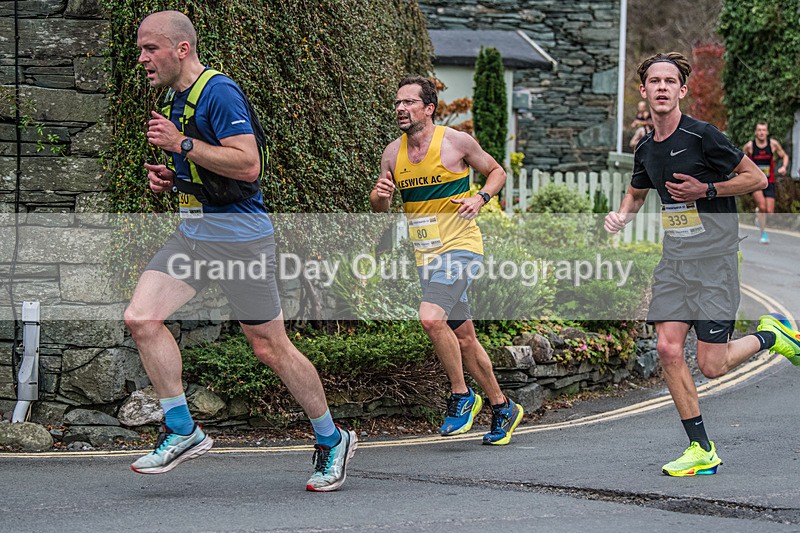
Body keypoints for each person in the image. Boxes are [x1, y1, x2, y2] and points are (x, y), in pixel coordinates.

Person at [125, 10, 356, 492]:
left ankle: (332, 438)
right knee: (142, 319)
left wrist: (181, 144)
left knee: (269, 346)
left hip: (239, 239)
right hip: (194, 234)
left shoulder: (218, 91)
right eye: (141, 48)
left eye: (151, 48)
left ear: (181, 49)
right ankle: (183, 429)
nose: (142, 57)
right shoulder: (174, 99)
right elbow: (210, 172)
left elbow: (247, 165)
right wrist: (173, 179)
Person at [605, 52, 800, 477]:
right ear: (643, 91)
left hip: (715, 262)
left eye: (669, 81)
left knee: (712, 366)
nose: (661, 87)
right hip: (675, 261)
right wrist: (622, 214)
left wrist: (706, 189)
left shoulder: (703, 135)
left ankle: (770, 335)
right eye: (653, 81)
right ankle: (701, 448)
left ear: (681, 90)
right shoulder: (645, 149)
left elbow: (757, 179)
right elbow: (637, 193)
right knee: (668, 347)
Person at [369, 76, 523, 445]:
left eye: (409, 102)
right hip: (427, 255)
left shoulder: (456, 142)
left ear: (429, 108)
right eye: (397, 103)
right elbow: (381, 209)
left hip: (461, 247)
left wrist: (481, 198)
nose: (401, 109)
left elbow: (497, 172)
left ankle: (461, 395)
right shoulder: (392, 153)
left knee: (429, 317)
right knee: (464, 338)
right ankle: (503, 406)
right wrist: (379, 195)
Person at [742, 121, 789, 244]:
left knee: (769, 212)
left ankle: (759, 217)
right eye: (759, 130)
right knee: (762, 206)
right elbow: (741, 159)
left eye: (764, 130)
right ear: (756, 132)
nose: (762, 132)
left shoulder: (773, 145)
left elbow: (784, 156)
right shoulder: (750, 146)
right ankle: (763, 233)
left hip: (770, 181)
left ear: (767, 132)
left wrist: (784, 167)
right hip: (756, 182)